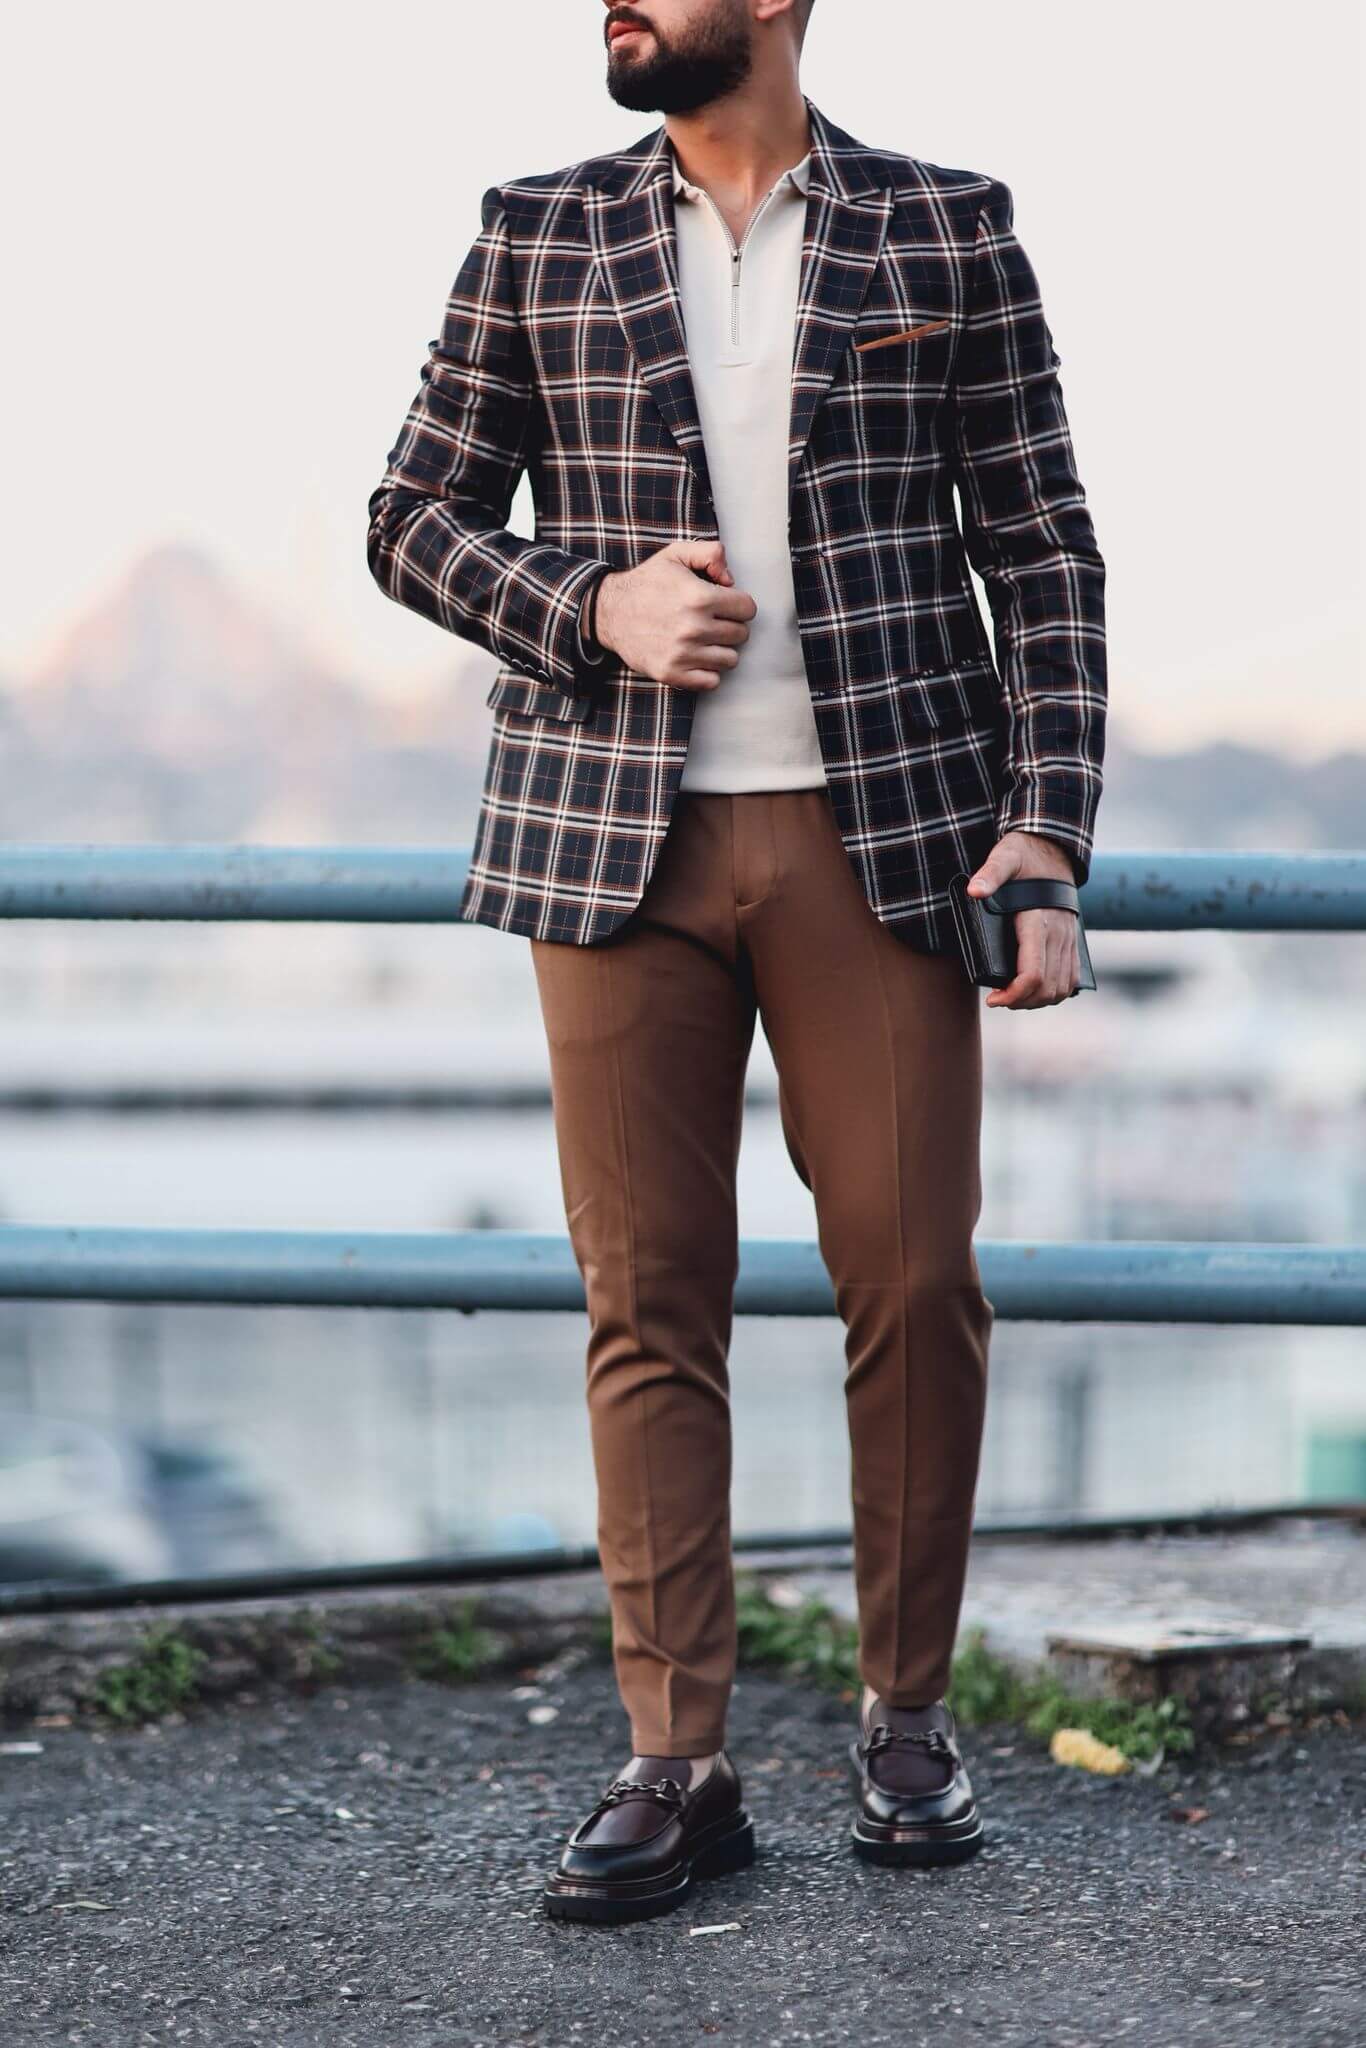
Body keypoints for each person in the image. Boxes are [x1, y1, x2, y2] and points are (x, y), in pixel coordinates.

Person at [367, 0, 1106, 1926]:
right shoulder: (535, 228)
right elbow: (409, 520)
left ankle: (904, 1720)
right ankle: (673, 1762)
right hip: (610, 840)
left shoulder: (946, 226)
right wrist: (588, 600)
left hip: (887, 836)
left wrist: (1047, 830)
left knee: (915, 1278)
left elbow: (1037, 547)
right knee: (648, 1295)